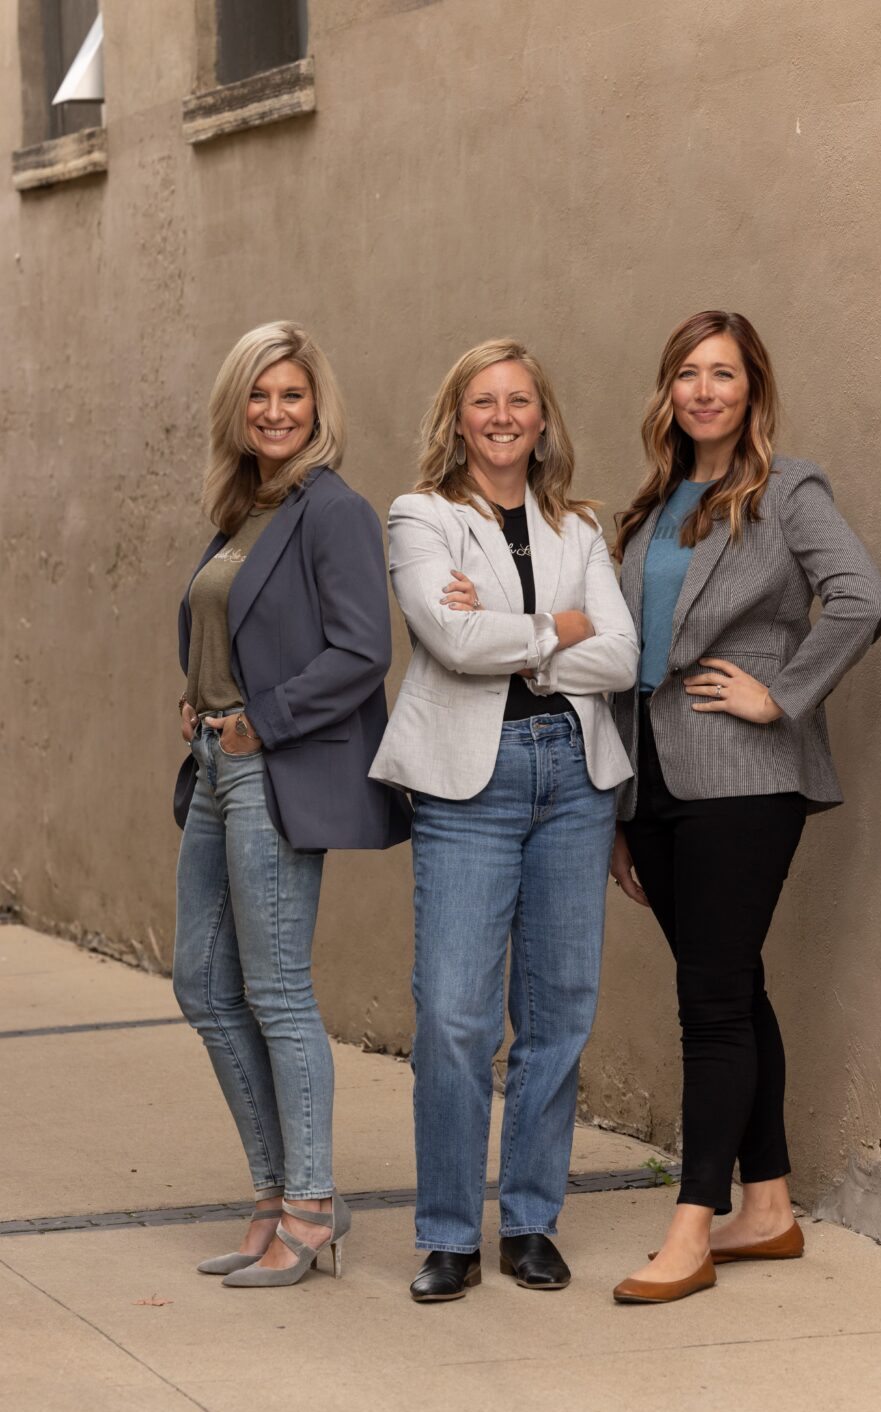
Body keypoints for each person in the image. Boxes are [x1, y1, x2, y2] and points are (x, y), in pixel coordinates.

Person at [609, 310, 881, 1306]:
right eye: (686, 372)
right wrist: (615, 807)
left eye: (722, 373)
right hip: (654, 780)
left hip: (745, 778)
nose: (703, 390)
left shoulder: (786, 490)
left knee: (710, 1001)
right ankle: (765, 1208)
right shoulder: (647, 506)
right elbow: (625, 656)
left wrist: (781, 692)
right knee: (729, 984)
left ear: (751, 389)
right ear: (667, 392)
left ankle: (691, 1224)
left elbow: (860, 596)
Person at [370, 338, 638, 1301]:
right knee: (452, 1015)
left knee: (559, 1012)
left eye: (520, 400)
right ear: (458, 416)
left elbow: (623, 654)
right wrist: (557, 629)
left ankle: (530, 1221)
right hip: (466, 788)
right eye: (483, 400)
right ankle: (448, 1233)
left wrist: (517, 641)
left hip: (573, 777)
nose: (502, 416)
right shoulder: (421, 517)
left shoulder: (579, 526)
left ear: (542, 417)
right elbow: (446, 638)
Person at [172, 321, 410, 1289]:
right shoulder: (244, 508)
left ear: (318, 410)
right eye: (259, 396)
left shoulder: (334, 510)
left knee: (274, 991)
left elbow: (362, 652)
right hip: (214, 762)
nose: (275, 412)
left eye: (292, 397)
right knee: (201, 984)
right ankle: (278, 1192)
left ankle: (310, 1207)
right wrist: (197, 690)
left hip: (271, 770)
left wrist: (261, 723)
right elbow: (228, 622)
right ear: (238, 408)